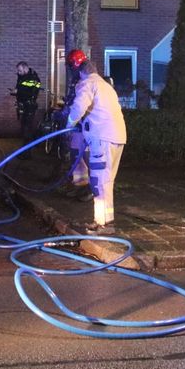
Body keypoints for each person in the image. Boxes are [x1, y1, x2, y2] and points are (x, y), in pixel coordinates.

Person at [66, 58, 127, 235]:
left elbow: (78, 107)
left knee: (99, 181)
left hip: (102, 139)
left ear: (82, 72)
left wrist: (69, 124)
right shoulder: (106, 86)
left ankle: (104, 225)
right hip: (117, 137)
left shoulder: (87, 83)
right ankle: (104, 222)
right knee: (106, 181)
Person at [62, 49, 91, 192]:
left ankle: (90, 189)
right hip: (77, 125)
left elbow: (81, 106)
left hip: (84, 125)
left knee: (85, 155)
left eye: (71, 65)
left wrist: (69, 122)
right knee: (75, 154)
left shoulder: (85, 81)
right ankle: (79, 184)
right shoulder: (76, 80)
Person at [11, 61, 42, 155]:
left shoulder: (33, 78)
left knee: (27, 129)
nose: (18, 72)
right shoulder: (22, 76)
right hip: (24, 105)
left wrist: (17, 92)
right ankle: (27, 148)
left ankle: (27, 153)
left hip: (29, 106)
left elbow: (31, 92)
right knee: (24, 128)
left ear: (25, 68)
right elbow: (21, 88)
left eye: (20, 70)